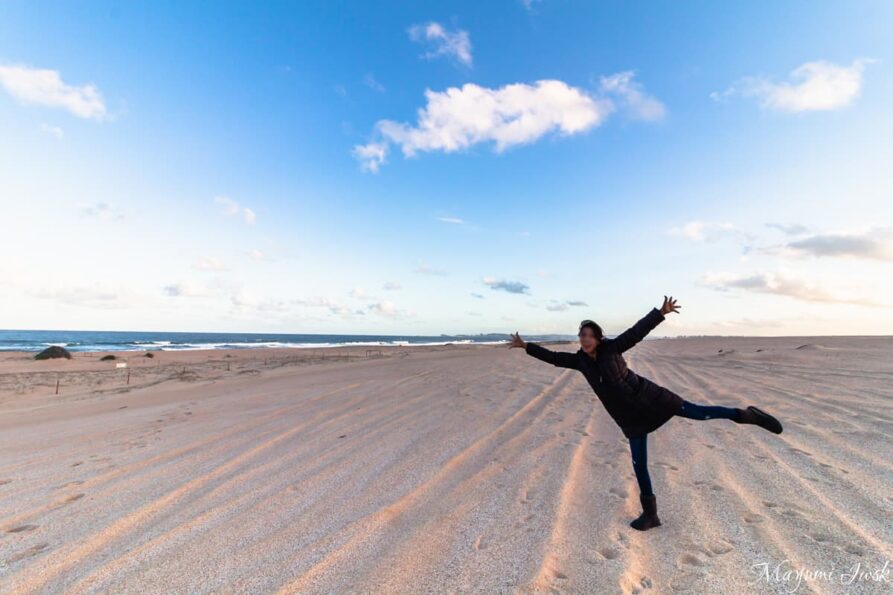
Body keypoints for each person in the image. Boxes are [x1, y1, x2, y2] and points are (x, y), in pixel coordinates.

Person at [507, 296, 783, 531]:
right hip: (629, 417)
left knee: (698, 412)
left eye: (590, 335)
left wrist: (659, 313)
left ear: (599, 338)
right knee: (640, 464)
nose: (585, 339)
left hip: (650, 398)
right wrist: (526, 346)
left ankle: (745, 415)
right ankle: (651, 514)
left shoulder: (612, 348)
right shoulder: (579, 361)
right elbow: (554, 358)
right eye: (582, 335)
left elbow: (636, 332)